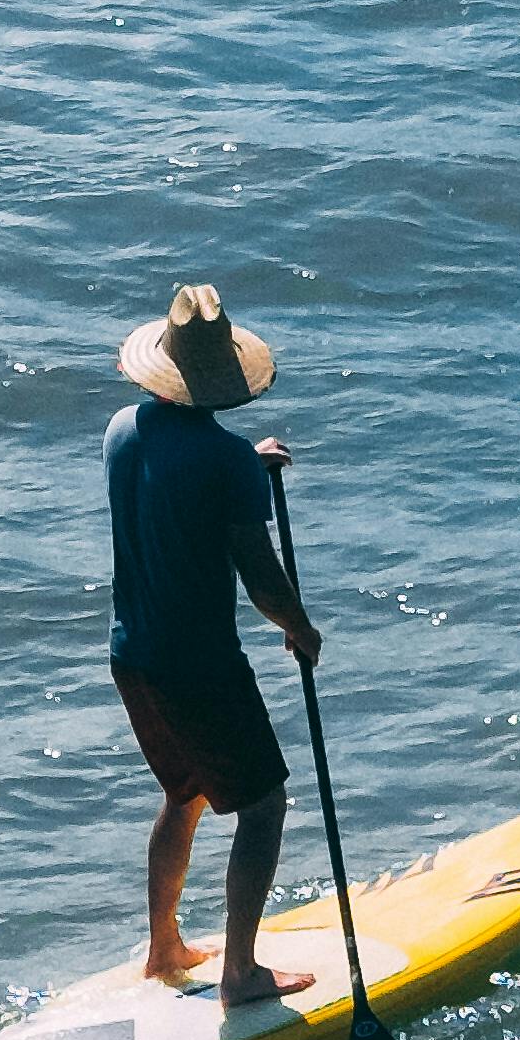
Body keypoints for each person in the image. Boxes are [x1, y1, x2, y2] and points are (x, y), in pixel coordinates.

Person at [104, 284, 320, 998]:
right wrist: (300, 627)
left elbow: (176, 478)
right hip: (199, 667)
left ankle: (163, 949)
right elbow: (259, 574)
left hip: (132, 655)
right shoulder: (223, 462)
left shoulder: (122, 429)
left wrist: (241, 468)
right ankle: (240, 972)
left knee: (184, 791)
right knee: (263, 806)